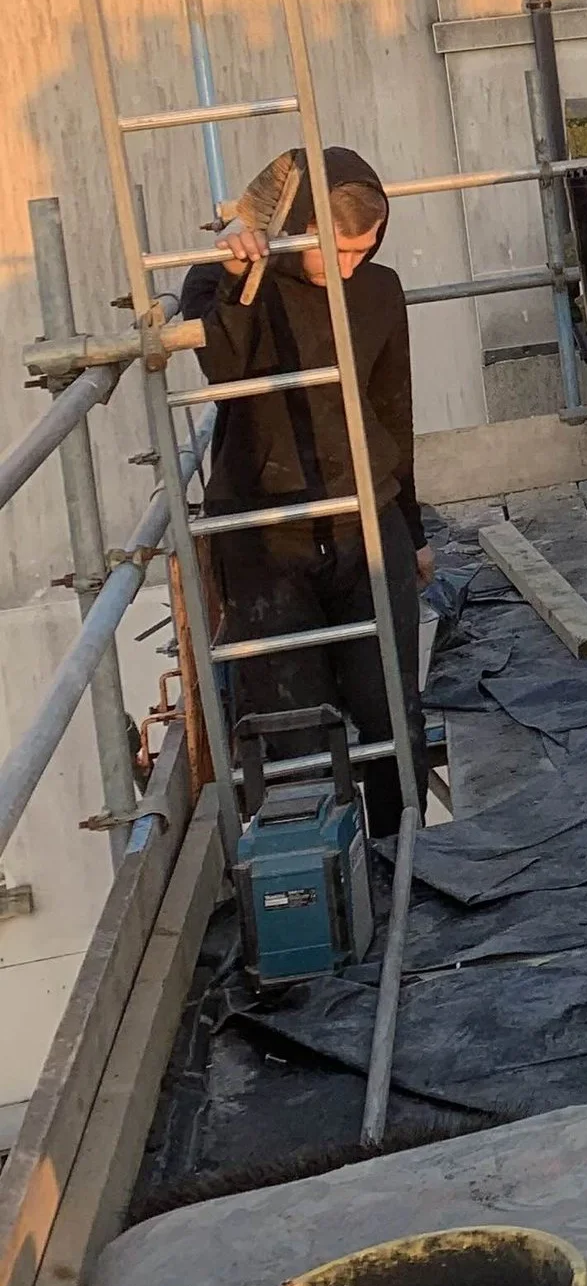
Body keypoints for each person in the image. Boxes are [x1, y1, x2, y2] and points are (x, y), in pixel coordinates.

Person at [180, 147, 429, 842]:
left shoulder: (379, 290)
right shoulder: (225, 278)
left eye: (364, 249)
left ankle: (401, 857)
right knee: (295, 732)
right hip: (267, 537)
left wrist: (414, 526)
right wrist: (238, 282)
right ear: (302, 225)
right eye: (338, 249)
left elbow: (393, 406)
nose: (350, 265)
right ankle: (324, 877)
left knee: (390, 717)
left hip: (366, 527)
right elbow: (220, 365)